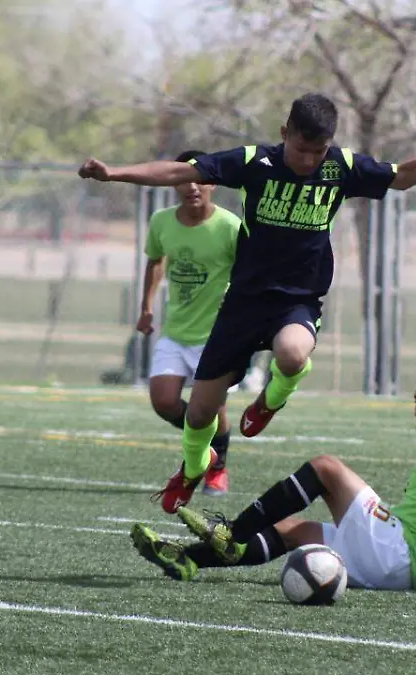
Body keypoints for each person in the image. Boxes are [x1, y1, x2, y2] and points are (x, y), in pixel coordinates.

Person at [79, 92, 416, 513]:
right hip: (243, 302)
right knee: (200, 413)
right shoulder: (254, 162)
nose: (309, 160)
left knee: (293, 354)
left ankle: (271, 399)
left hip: (297, 301)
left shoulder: (341, 168)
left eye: (318, 151)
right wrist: (115, 173)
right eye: (300, 149)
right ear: (284, 134)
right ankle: (192, 468)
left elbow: (403, 175)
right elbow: (181, 170)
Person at [129, 361, 416, 598]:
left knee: (326, 468)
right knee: (292, 530)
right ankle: (189, 560)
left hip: (403, 554)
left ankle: (232, 531)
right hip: (407, 565)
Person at [139, 150, 241, 498]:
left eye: (200, 179)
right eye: (183, 179)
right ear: (173, 182)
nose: (192, 187)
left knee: (212, 405)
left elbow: (248, 272)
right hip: (176, 330)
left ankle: (218, 466)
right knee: (163, 401)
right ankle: (206, 448)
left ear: (213, 183)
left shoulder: (230, 227)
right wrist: (146, 308)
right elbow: (155, 262)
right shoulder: (161, 222)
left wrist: (239, 301)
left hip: (216, 334)